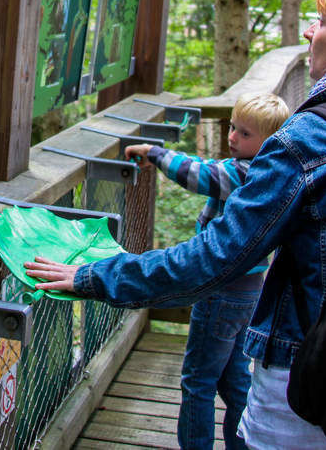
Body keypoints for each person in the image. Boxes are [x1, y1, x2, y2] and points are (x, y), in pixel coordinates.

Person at [26, 0, 326, 449]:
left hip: (315, 390)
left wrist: (95, 275)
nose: (310, 33)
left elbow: (213, 259)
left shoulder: (308, 140)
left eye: (322, 22)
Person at [124, 91, 290, 450]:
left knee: (197, 380)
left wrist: (155, 153)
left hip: (220, 290)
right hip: (250, 292)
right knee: (235, 380)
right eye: (233, 127)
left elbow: (202, 175)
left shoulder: (246, 174)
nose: (232, 138)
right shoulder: (273, 172)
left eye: (244, 134)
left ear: (269, 141)